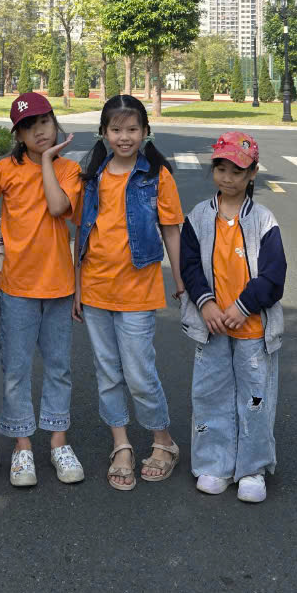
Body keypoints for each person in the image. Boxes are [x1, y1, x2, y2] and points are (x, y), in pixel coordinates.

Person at [73, 94, 184, 491]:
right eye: (116, 129)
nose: (124, 137)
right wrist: (76, 288)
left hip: (138, 289)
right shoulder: (92, 176)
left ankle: (162, 441)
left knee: (139, 372)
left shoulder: (156, 176)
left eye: (132, 129)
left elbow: (171, 228)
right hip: (96, 288)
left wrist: (181, 280)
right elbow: (80, 235)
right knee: (107, 372)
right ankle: (121, 445)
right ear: (103, 132)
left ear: (145, 132)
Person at [179, 131, 286, 504]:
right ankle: (214, 463)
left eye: (238, 171)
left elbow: (274, 276)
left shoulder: (263, 220)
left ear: (253, 173)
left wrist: (244, 306)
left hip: (252, 330)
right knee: (210, 395)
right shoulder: (198, 217)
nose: (228, 178)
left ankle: (252, 468)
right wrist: (206, 304)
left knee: (255, 399)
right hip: (211, 329)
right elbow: (189, 266)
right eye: (221, 169)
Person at [0, 92, 85, 487]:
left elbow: (56, 207)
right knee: (15, 370)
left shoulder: (68, 170)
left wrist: (47, 161)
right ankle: (23, 446)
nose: (39, 132)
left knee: (59, 367)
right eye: (29, 127)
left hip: (59, 284)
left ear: (54, 123)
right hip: (16, 285)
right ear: (18, 135)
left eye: (44, 123)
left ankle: (58, 441)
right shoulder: (4, 170)